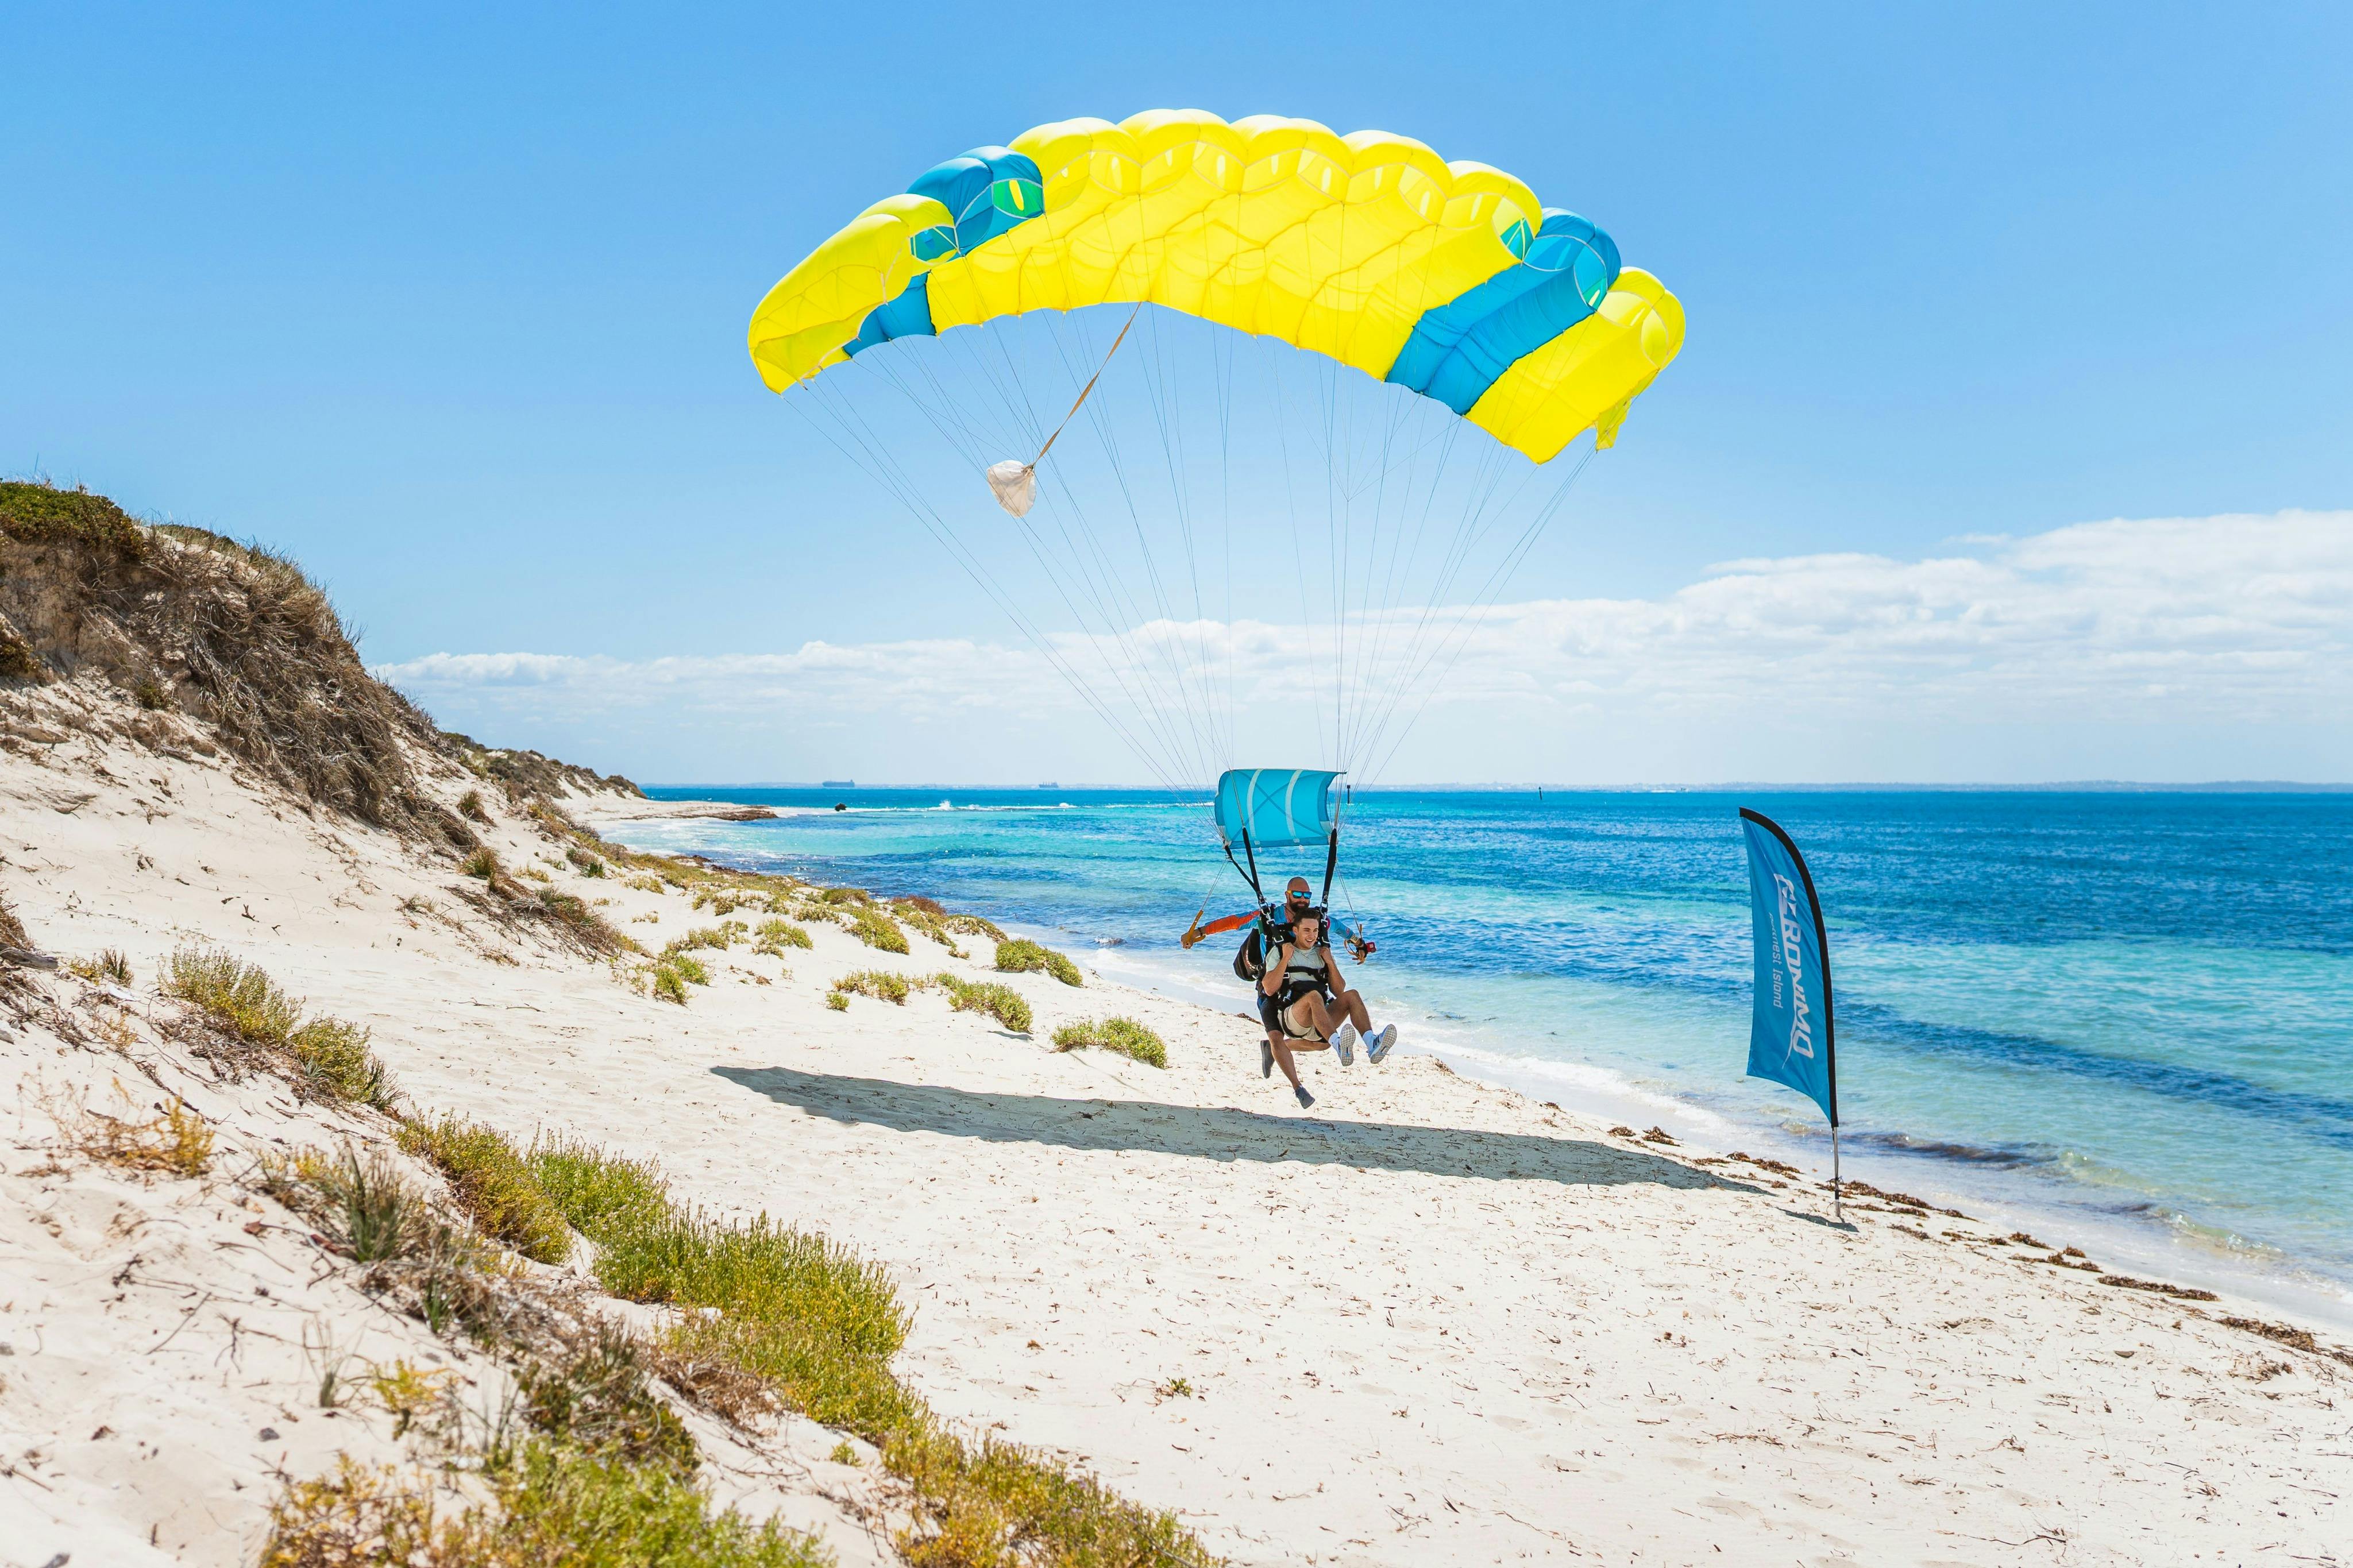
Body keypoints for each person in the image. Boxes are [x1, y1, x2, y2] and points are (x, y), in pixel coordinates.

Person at [1259, 907, 1396, 1109]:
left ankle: (1371, 1043)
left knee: (1352, 996)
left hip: (1319, 1019)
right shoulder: (1280, 951)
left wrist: (1330, 963)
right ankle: (1338, 1045)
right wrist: (1286, 958)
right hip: (1292, 1017)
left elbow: (1340, 991)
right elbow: (1269, 989)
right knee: (1314, 996)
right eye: (1306, 930)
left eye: (1315, 931)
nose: (1312, 936)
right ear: (1295, 930)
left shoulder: (1320, 953)